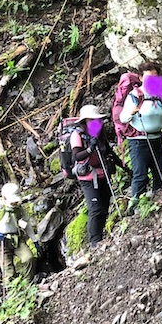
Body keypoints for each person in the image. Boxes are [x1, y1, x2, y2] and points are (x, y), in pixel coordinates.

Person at [118, 60, 162, 210]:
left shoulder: (159, 95)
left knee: (161, 171)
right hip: (138, 142)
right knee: (140, 174)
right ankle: (135, 206)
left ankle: (158, 200)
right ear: (142, 78)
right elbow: (123, 118)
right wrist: (132, 112)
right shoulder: (134, 96)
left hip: (156, 139)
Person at [66, 104, 118, 246]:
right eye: (92, 120)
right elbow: (77, 156)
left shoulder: (99, 133)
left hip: (102, 175)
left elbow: (108, 152)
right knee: (95, 209)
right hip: (87, 178)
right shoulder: (77, 135)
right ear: (85, 121)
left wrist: (124, 167)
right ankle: (94, 242)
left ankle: (100, 236)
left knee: (105, 206)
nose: (96, 122)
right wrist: (90, 149)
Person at [0, 183, 37, 281]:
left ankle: (28, 284)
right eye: (13, 202)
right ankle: (13, 292)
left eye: (16, 202)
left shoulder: (18, 208)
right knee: (8, 272)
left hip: (16, 239)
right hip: (0, 242)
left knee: (29, 258)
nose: (15, 204)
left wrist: (35, 240)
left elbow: (26, 224)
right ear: (4, 198)